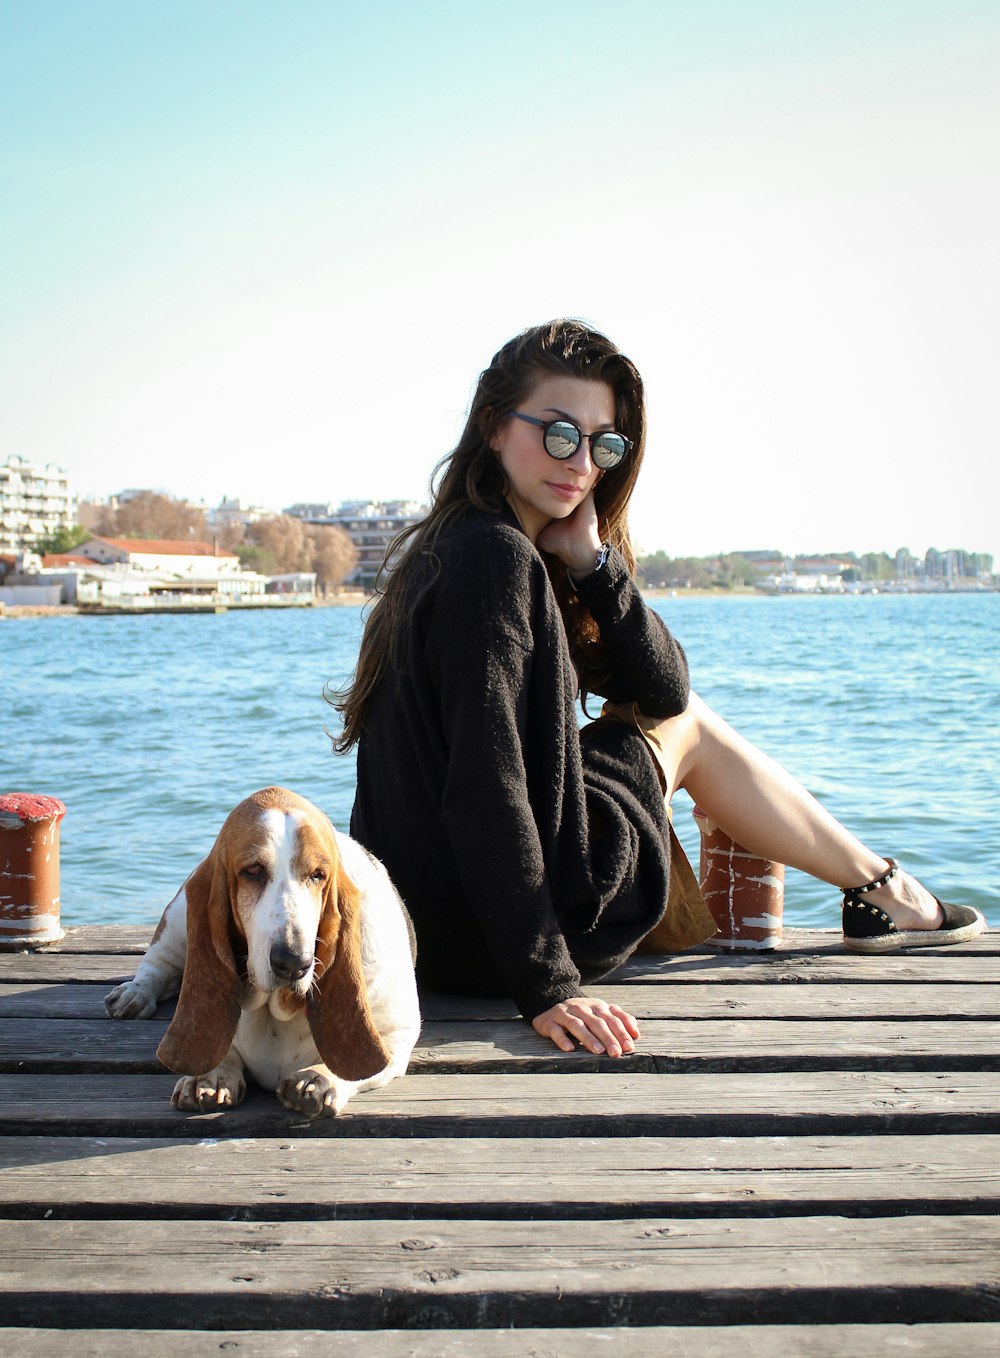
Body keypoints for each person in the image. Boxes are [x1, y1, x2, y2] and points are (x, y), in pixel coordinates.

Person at [334, 319, 985, 1058]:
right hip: (500, 944)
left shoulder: (455, 547)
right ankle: (881, 889)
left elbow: (660, 684)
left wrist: (590, 561)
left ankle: (876, 889)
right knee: (692, 729)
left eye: (602, 444)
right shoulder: (495, 561)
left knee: (657, 718)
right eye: (557, 433)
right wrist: (547, 986)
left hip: (422, 928)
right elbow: (486, 785)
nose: (580, 462)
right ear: (492, 427)